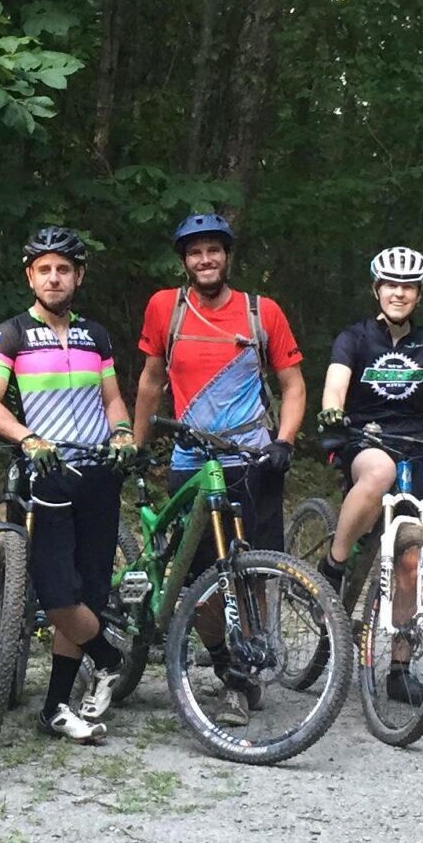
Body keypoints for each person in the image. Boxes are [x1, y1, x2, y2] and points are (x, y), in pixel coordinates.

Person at [128, 212, 306, 728]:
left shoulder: (261, 312)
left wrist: (284, 442)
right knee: (200, 580)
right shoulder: (167, 308)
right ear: (184, 261)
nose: (205, 260)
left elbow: (293, 385)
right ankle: (228, 666)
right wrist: (137, 448)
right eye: (194, 252)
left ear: (228, 256)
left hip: (251, 461)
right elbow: (150, 382)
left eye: (214, 250)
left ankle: (245, 679)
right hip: (190, 461)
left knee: (251, 573)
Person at [0, 226, 139, 744]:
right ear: (30, 276)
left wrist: (124, 430)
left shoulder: (97, 336)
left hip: (99, 474)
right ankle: (109, 658)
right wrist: (28, 438)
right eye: (44, 269)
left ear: (78, 276)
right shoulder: (10, 334)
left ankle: (55, 708)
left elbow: (111, 399)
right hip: (47, 473)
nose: (54, 277)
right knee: (56, 592)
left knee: (87, 591)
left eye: (63, 269)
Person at [314, 246, 423, 707]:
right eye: (391, 284)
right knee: (378, 471)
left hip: (417, 446)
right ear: (377, 288)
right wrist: (333, 413)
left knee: (412, 559)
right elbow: (335, 383)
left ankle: (399, 666)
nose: (399, 292)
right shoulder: (354, 338)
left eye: (408, 286)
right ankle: (334, 565)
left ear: (417, 293)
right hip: (362, 439)